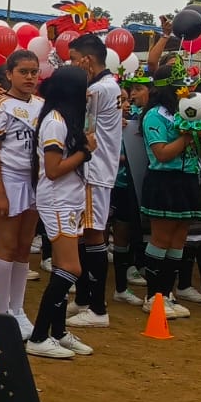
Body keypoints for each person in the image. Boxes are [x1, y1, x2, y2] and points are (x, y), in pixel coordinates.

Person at [25, 64, 95, 359]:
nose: (88, 94)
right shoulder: (55, 122)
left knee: (62, 267)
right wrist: (84, 152)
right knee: (71, 268)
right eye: (85, 88)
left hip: (70, 199)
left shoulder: (66, 119)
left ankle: (58, 331)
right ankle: (39, 336)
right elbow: (53, 170)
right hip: (57, 200)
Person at [66, 33, 125, 330]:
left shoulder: (97, 90)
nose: (72, 65)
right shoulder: (109, 86)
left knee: (92, 234)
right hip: (99, 169)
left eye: (74, 60)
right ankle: (84, 299)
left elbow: (82, 127)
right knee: (86, 233)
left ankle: (97, 308)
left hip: (94, 169)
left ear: (87, 60)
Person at [0, 49, 41, 340]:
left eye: (34, 72)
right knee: (6, 246)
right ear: (9, 74)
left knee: (24, 246)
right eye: (23, 72)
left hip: (34, 182)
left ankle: (18, 309)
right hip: (9, 180)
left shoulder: (42, 105)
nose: (29, 77)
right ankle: (2, 311)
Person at [137, 74, 201, 319]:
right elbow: (162, 153)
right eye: (180, 89)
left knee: (178, 240)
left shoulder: (186, 115)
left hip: (188, 179)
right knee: (161, 238)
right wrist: (187, 136)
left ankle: (167, 293)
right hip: (164, 181)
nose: (185, 94)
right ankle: (153, 296)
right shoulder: (155, 115)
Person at [107, 75, 150, 309]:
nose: (126, 104)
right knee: (96, 236)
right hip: (102, 187)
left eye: (127, 100)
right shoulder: (98, 124)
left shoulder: (133, 124)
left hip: (124, 186)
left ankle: (121, 287)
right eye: (121, 100)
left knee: (123, 233)